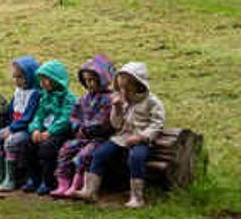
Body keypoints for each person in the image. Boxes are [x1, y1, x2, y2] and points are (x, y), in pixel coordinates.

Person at [76, 61, 165, 208]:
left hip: (142, 139)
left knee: (136, 157)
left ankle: (137, 197)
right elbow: (116, 125)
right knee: (99, 154)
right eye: (121, 88)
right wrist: (116, 108)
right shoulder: (123, 101)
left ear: (139, 85)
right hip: (122, 137)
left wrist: (142, 136)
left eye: (127, 88)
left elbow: (157, 124)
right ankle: (90, 190)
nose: (124, 92)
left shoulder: (152, 102)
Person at [52, 54, 116, 198]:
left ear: (103, 78)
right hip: (82, 136)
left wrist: (86, 129)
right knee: (66, 149)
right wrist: (76, 127)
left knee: (84, 155)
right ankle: (63, 183)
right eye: (86, 80)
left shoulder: (109, 99)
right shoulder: (84, 98)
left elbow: (103, 121)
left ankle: (78, 184)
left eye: (93, 80)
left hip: (99, 139)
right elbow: (74, 115)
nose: (89, 84)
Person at [0, 56, 39, 191]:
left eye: (20, 77)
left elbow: (28, 117)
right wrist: (1, 119)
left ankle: (11, 177)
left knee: (11, 141)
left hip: (25, 129)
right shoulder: (18, 91)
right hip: (13, 126)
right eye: (15, 77)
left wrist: (12, 129)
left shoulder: (35, 94)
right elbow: (11, 110)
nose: (16, 81)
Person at [24, 60, 76, 195]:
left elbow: (65, 119)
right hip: (43, 131)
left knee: (48, 149)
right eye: (40, 80)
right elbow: (38, 116)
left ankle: (48, 181)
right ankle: (33, 178)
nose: (42, 83)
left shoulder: (68, 98)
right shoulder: (44, 97)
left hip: (60, 132)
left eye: (45, 79)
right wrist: (35, 129)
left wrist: (50, 132)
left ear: (56, 79)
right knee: (28, 144)